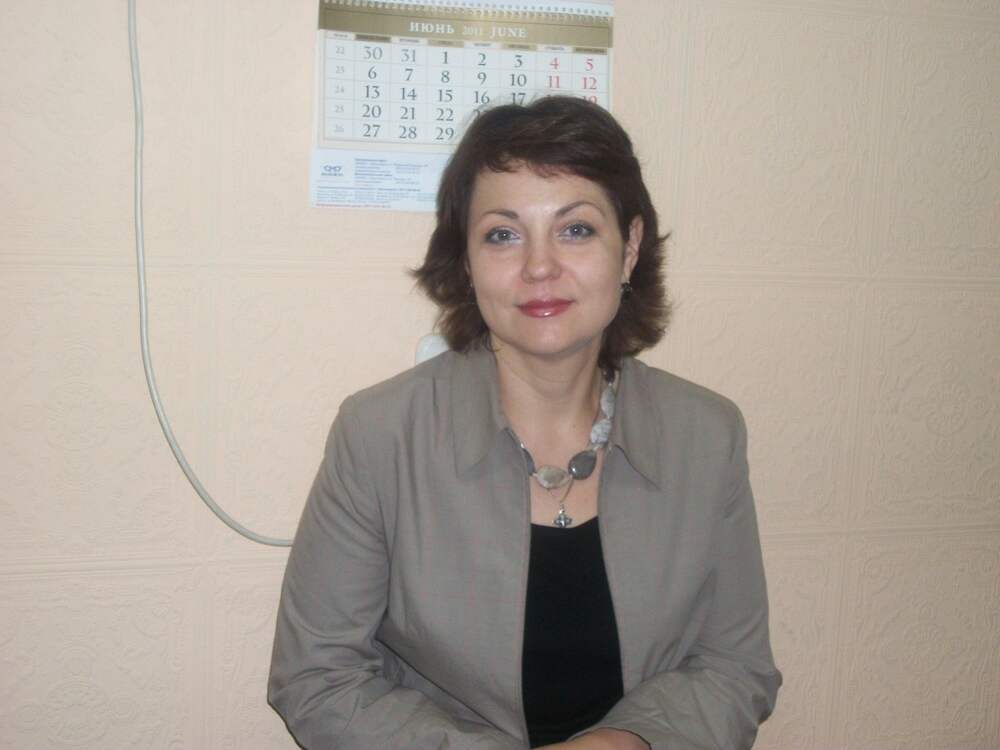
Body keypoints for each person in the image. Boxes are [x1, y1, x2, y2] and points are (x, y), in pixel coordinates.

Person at [268, 96, 781, 750]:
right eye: (503, 235)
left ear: (629, 249)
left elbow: (734, 666)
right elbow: (317, 677)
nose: (540, 267)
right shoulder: (379, 436)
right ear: (467, 262)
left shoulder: (707, 436)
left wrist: (628, 742)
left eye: (576, 229)